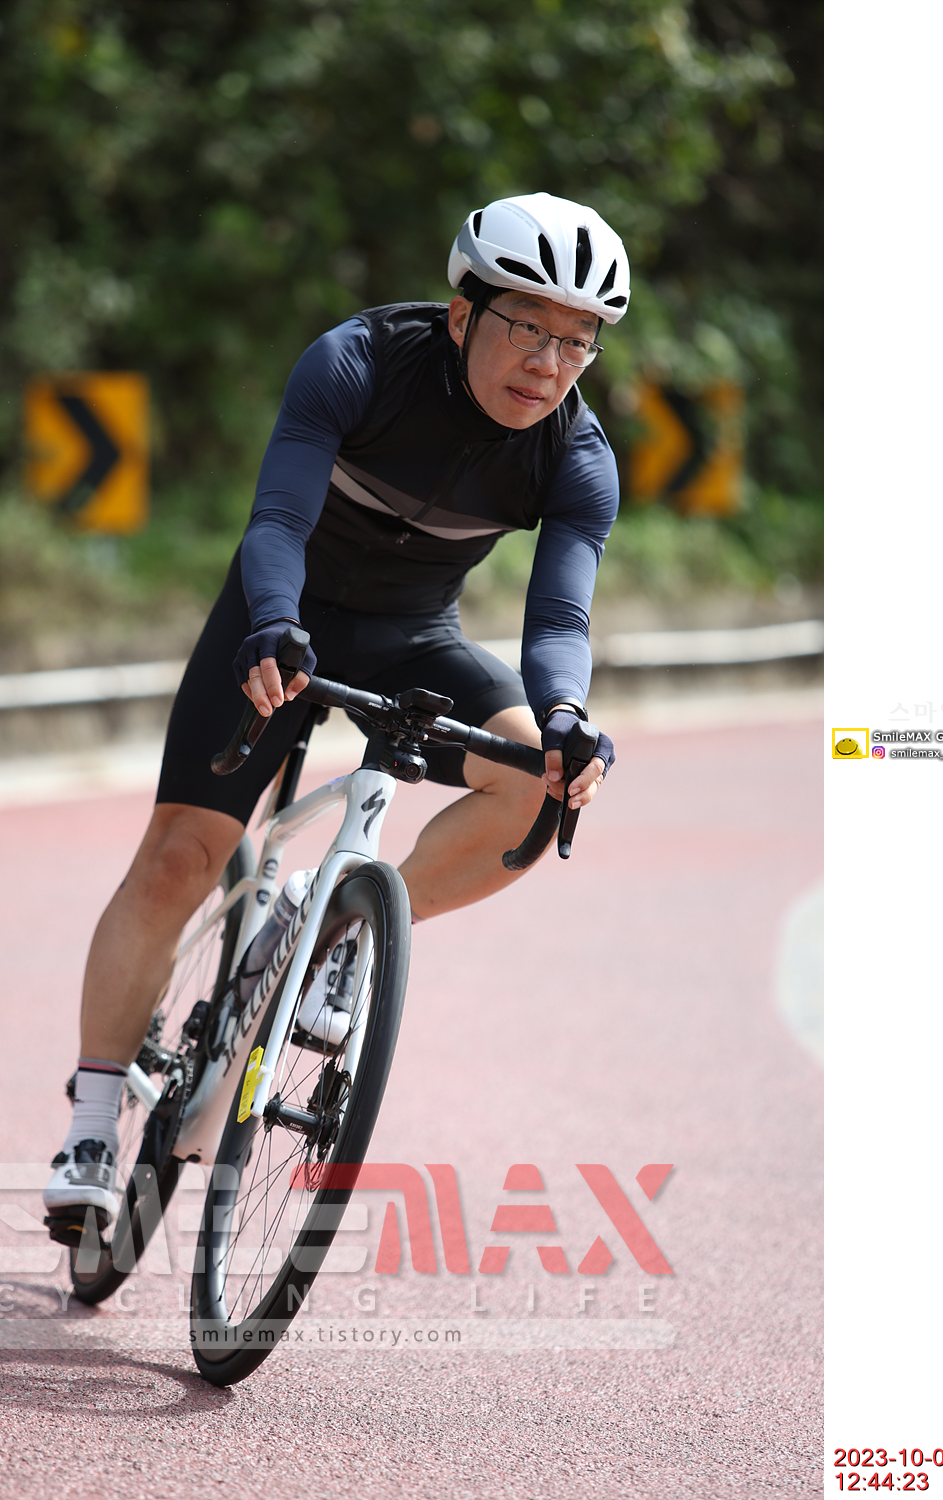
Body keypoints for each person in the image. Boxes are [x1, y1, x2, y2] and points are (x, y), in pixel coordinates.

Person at [45, 192, 624, 1225]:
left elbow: (558, 619)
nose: (549, 362)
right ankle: (92, 1125)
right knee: (180, 856)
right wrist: (274, 623)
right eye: (528, 327)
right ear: (463, 315)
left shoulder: (576, 457)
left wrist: (568, 715)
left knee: (537, 787)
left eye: (577, 341)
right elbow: (277, 518)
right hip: (280, 618)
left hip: (412, 636)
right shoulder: (359, 361)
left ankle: (347, 925)